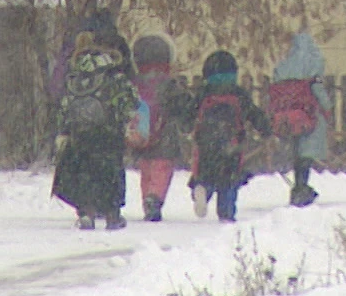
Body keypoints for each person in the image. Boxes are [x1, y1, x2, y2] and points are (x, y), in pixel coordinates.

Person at [51, 31, 137, 230]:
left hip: (80, 133)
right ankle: (112, 214)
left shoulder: (75, 74)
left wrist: (65, 129)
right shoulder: (113, 75)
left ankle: (86, 212)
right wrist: (122, 120)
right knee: (111, 172)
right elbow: (131, 102)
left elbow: (65, 104)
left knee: (85, 172)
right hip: (108, 133)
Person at [182, 50, 271, 223]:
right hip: (232, 147)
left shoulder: (204, 93)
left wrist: (185, 126)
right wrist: (265, 129)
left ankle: (202, 189)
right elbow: (254, 114)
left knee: (205, 174)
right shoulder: (238, 94)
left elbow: (188, 114)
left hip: (206, 145)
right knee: (229, 181)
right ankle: (226, 212)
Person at [127, 34, 190, 222]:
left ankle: (147, 195)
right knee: (161, 167)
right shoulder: (168, 83)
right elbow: (181, 104)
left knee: (146, 168)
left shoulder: (135, 83)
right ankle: (155, 197)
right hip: (165, 133)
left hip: (142, 133)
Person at [269, 31, 334, 207]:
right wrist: (327, 107)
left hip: (287, 116)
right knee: (307, 153)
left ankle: (299, 186)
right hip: (308, 114)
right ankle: (301, 186)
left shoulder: (283, 65)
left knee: (296, 151)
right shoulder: (314, 62)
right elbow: (317, 88)